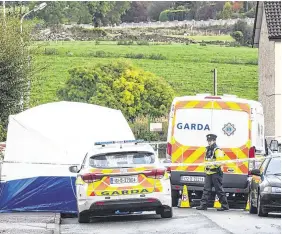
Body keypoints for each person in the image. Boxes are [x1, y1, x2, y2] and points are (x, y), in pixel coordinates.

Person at [196, 134, 229, 211]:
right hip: (209, 172)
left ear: (214, 141)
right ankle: (203, 205)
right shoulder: (208, 149)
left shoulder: (217, 150)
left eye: (210, 141)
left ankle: (225, 206)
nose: (209, 142)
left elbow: (219, 161)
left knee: (219, 190)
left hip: (216, 173)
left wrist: (212, 166)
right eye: (208, 141)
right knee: (206, 189)